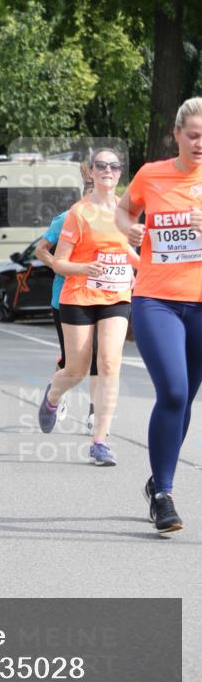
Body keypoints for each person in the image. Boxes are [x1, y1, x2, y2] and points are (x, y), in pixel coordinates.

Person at [115, 97, 202, 533]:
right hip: (156, 299)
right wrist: (127, 227)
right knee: (172, 389)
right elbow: (124, 210)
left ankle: (156, 481)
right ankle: (164, 494)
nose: (200, 143)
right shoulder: (152, 174)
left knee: (185, 398)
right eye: (194, 135)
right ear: (177, 135)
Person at [37, 148, 140, 466]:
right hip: (78, 296)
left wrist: (147, 267)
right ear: (91, 172)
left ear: (120, 172)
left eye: (114, 166)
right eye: (101, 165)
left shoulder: (128, 212)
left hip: (115, 296)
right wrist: (85, 269)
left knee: (110, 363)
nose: (107, 170)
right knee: (77, 369)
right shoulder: (78, 213)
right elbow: (60, 263)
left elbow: (129, 253)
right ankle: (53, 396)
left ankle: (100, 440)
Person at [34, 164, 98, 431]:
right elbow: (40, 250)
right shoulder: (67, 218)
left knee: (99, 357)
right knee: (72, 361)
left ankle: (94, 413)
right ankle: (56, 394)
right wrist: (60, 265)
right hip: (66, 299)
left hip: (101, 297)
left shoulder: (114, 219)